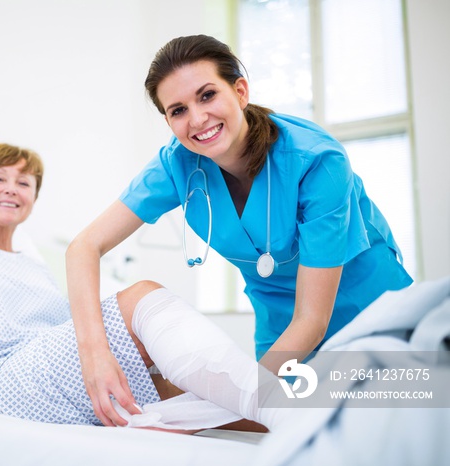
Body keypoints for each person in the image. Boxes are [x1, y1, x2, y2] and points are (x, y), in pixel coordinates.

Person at [65, 34, 413, 426]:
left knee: (386, 425)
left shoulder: (317, 161)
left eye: (207, 95)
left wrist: (224, 409)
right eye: (178, 109)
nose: (197, 119)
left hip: (365, 305)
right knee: (282, 430)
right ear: (168, 120)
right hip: (281, 322)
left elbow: (313, 320)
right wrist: (94, 353)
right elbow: (83, 247)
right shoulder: (178, 165)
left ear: (240, 91)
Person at [0, 142, 285, 431]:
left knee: (185, 389)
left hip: (41, 374)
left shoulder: (35, 268)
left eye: (23, 183)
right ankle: (284, 407)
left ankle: (307, 419)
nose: (10, 188)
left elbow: (62, 334)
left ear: (33, 198)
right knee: (141, 296)